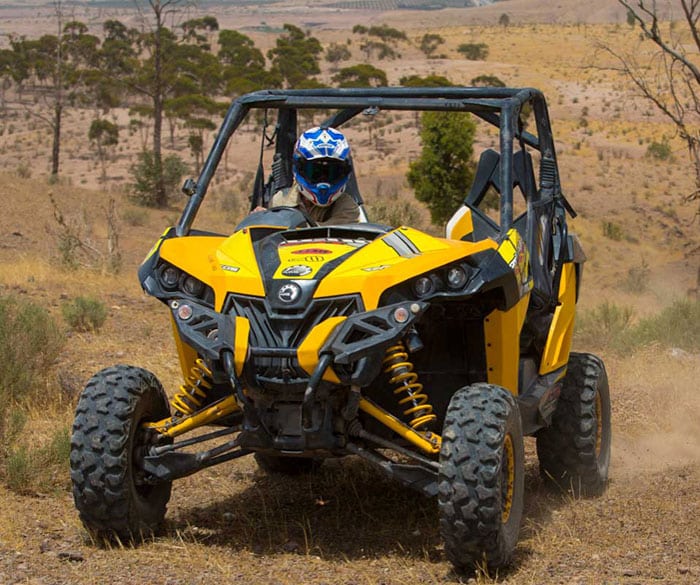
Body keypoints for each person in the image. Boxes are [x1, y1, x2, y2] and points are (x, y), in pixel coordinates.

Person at [268, 126, 362, 225]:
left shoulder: (347, 207)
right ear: (300, 169)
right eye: (315, 172)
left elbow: (327, 233)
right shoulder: (280, 201)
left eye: (331, 172)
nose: (323, 180)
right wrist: (261, 219)